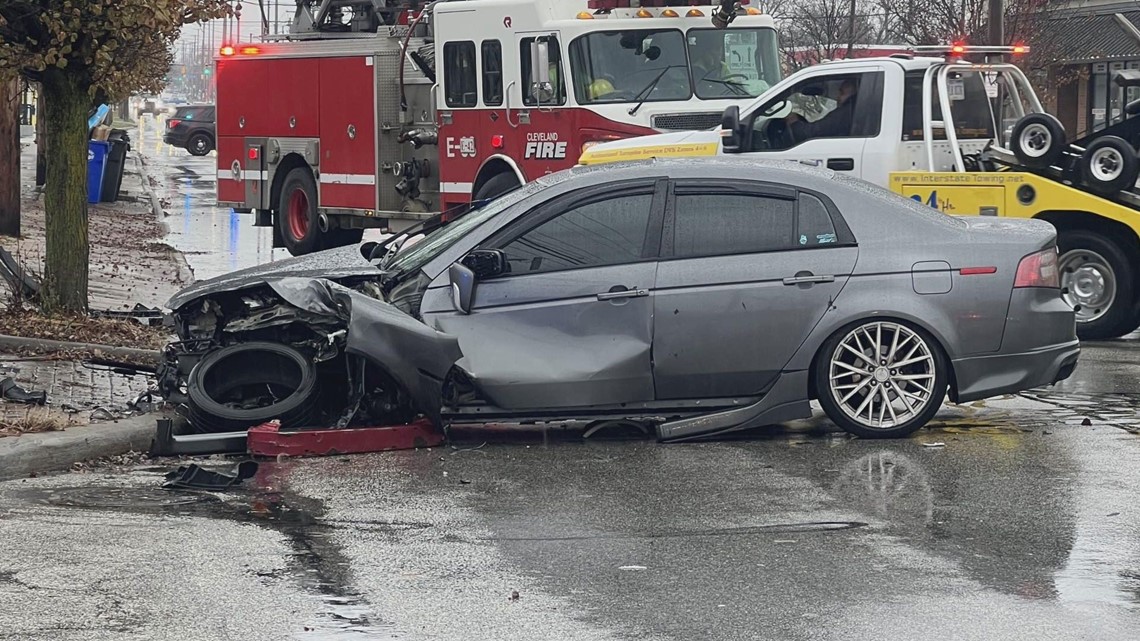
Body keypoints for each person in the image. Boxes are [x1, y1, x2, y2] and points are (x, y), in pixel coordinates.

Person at [786, 78, 857, 139]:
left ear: (853, 96)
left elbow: (813, 132)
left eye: (842, 93)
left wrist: (794, 122)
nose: (837, 97)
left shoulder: (845, 113)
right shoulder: (853, 112)